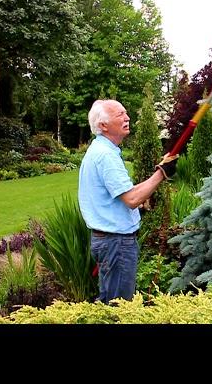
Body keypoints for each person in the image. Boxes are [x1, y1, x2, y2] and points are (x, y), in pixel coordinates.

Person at [78, 99, 177, 304]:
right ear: (103, 125)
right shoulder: (105, 155)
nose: (127, 117)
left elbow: (127, 193)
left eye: (126, 112)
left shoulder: (102, 150)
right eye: (120, 114)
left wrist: (159, 170)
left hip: (108, 242)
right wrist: (162, 174)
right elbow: (132, 199)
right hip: (116, 243)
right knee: (120, 307)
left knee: (109, 303)